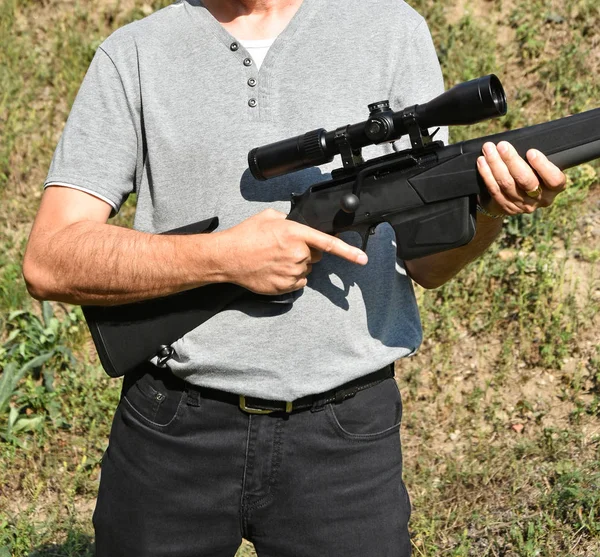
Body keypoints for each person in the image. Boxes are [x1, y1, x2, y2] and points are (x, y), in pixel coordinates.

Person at [22, 0, 567, 555]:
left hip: (345, 439)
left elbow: (428, 267)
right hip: (172, 428)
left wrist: (494, 208)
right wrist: (223, 259)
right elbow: (49, 258)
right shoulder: (136, 53)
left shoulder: (391, 29)